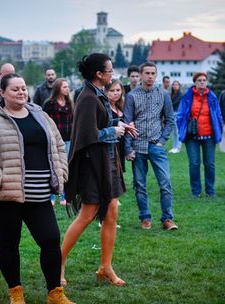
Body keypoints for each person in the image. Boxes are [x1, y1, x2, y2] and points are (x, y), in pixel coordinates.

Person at [0, 73, 74, 304]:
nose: (21, 92)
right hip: (7, 195)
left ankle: (55, 293)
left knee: (50, 239)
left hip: (39, 195)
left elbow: (58, 145)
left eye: (23, 88)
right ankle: (15, 292)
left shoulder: (40, 115)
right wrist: (0, 180)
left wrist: (61, 173)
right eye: (15, 89)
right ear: (3, 93)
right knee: (9, 243)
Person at [61, 53, 137, 288]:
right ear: (99, 74)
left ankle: (105, 267)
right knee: (87, 215)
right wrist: (112, 133)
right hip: (92, 165)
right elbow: (86, 135)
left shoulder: (99, 95)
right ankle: (57, 264)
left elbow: (101, 124)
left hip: (108, 163)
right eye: (110, 70)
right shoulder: (87, 98)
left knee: (112, 211)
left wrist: (119, 125)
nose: (112, 74)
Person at [124, 62, 178, 230]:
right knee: (139, 184)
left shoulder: (163, 95)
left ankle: (167, 219)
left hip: (156, 145)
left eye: (153, 73)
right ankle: (145, 217)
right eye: (146, 73)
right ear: (140, 75)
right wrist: (127, 148)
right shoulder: (132, 96)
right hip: (137, 146)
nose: (150, 76)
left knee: (165, 182)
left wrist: (163, 141)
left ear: (156, 75)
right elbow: (126, 123)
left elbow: (170, 120)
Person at [176, 72, 223, 197]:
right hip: (192, 136)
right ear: (195, 83)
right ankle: (196, 191)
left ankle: (210, 190)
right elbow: (180, 116)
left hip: (209, 136)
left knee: (210, 164)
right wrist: (182, 128)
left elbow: (218, 115)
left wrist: (219, 130)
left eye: (204, 80)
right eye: (199, 80)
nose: (202, 82)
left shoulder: (212, 97)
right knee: (194, 163)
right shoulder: (187, 97)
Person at [43, 78, 74, 206]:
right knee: (53, 167)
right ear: (58, 88)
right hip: (54, 140)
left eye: (68, 86)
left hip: (68, 140)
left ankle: (64, 195)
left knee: (65, 167)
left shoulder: (70, 103)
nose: (67, 89)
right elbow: (44, 122)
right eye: (64, 87)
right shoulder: (49, 104)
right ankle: (51, 196)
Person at [105, 78, 126, 172]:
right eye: (112, 90)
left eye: (118, 90)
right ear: (105, 92)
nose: (116, 93)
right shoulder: (104, 107)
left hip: (121, 143)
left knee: (119, 171)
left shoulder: (121, 105)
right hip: (110, 143)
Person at [169, 80, 183, 154]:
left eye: (176, 85)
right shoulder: (171, 94)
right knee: (173, 132)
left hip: (177, 114)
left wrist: (168, 104)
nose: (175, 86)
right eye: (174, 85)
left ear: (179, 86)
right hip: (172, 114)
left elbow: (174, 103)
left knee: (177, 131)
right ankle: (174, 147)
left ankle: (178, 147)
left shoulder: (180, 95)